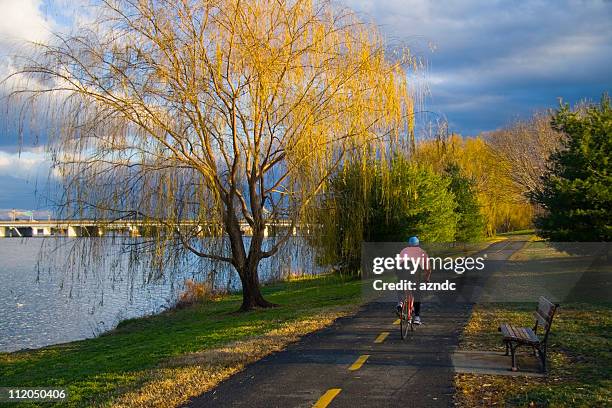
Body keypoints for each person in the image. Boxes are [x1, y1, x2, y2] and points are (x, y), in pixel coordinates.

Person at [395, 236, 431, 324]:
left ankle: (400, 303)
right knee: (417, 294)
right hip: (414, 272)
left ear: (409, 244)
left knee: (402, 286)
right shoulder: (422, 252)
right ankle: (417, 317)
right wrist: (426, 279)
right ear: (418, 244)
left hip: (402, 270)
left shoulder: (403, 250)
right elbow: (428, 269)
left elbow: (398, 265)